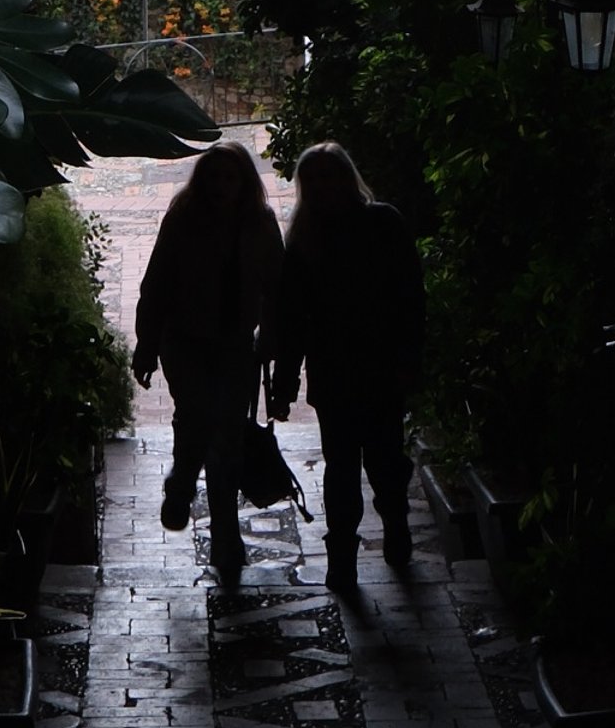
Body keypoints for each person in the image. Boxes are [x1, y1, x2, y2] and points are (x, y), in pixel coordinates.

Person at [267, 141, 424, 591]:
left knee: (379, 459)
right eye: (313, 178)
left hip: (375, 366)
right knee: (346, 465)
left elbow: (410, 299)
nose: (322, 186)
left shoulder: (376, 224)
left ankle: (381, 533)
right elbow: (293, 318)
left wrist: (409, 358)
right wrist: (284, 383)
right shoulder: (310, 238)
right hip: (338, 370)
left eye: (328, 175)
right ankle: (348, 552)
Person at [132, 138, 284, 582]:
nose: (221, 186)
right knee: (198, 417)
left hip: (236, 343)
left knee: (229, 436)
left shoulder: (260, 223)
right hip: (186, 341)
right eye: (214, 177)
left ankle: (224, 534)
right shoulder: (183, 220)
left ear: (244, 182)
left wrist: (272, 337)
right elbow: (157, 283)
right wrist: (146, 344)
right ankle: (183, 482)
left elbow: (277, 288)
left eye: (229, 177)